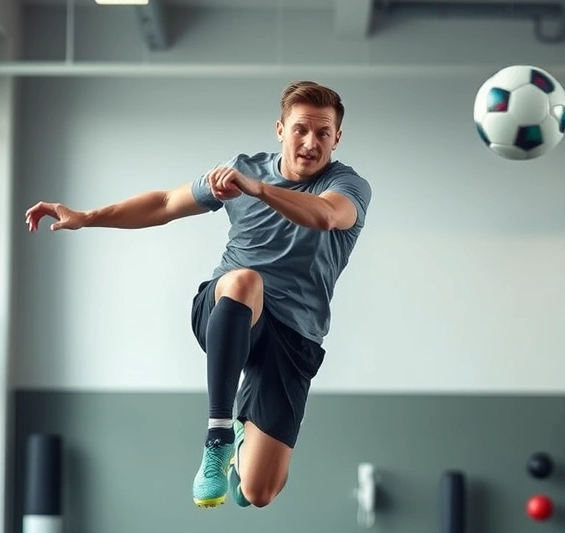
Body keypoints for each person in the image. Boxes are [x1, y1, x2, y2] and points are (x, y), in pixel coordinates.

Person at [24, 80, 372, 509]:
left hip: (294, 336)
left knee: (259, 492)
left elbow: (325, 216)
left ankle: (244, 452)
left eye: (322, 133)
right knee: (246, 280)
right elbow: (166, 203)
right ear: (280, 129)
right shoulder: (243, 169)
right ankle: (219, 434)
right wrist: (87, 216)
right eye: (300, 129)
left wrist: (258, 190)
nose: (310, 142)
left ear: (337, 138)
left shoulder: (348, 185)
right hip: (230, 309)